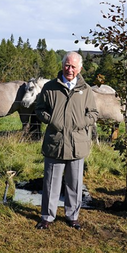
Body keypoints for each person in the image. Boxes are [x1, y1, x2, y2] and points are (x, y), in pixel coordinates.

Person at [34, 51, 98, 230]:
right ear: (62, 65)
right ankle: (47, 216)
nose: (69, 69)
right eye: (67, 65)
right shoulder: (50, 87)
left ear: (80, 68)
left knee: (75, 184)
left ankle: (72, 216)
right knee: (51, 182)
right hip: (55, 142)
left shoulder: (86, 90)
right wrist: (51, 119)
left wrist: (80, 122)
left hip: (78, 144)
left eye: (73, 66)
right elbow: (39, 109)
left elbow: (93, 113)